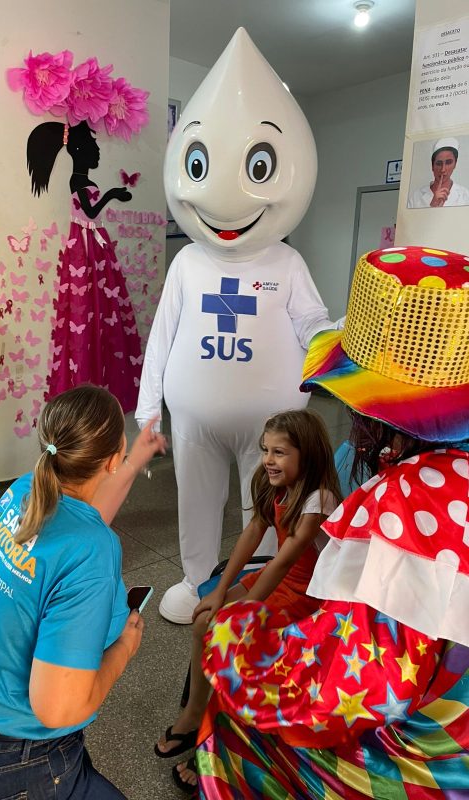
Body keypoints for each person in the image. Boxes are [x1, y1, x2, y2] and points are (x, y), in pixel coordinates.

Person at [192, 246, 469, 799]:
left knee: (239, 728)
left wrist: (236, 640)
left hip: (428, 754)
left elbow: (355, 691)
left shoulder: (406, 502)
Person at [136, 28, 342, 625]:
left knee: (274, 505)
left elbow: (311, 323)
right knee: (195, 501)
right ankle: (197, 578)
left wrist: (339, 349)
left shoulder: (286, 261)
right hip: (194, 421)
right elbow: (163, 337)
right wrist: (150, 412)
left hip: (272, 425)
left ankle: (265, 594)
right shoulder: (187, 262)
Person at [0, 384, 166, 800]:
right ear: (110, 457)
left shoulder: (23, 490)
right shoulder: (93, 552)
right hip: (6, 769)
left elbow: (78, 523)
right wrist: (124, 646)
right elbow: (58, 709)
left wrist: (134, 459)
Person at [156, 409, 342, 792]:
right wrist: (222, 591)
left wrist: (246, 609)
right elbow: (253, 534)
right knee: (204, 620)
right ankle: (193, 716)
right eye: (265, 450)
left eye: (279, 452)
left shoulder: (318, 499)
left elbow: (287, 559)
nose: (269, 460)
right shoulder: (272, 482)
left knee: (235, 644)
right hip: (277, 577)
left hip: (308, 596)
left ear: (306, 455)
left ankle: (216, 744)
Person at [26, 120, 143, 411]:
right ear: (79, 150)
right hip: (86, 248)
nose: (98, 153)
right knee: (86, 306)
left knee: (103, 308)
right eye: (93, 147)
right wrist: (113, 194)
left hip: (95, 245)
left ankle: (103, 375)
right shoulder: (78, 181)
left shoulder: (82, 180)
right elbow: (90, 211)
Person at [408, 136, 469, 208]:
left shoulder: (465, 196)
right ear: (432, 166)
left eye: (448, 162)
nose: (443, 169)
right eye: (439, 163)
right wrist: (432, 205)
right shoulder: (416, 197)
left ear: (455, 164)